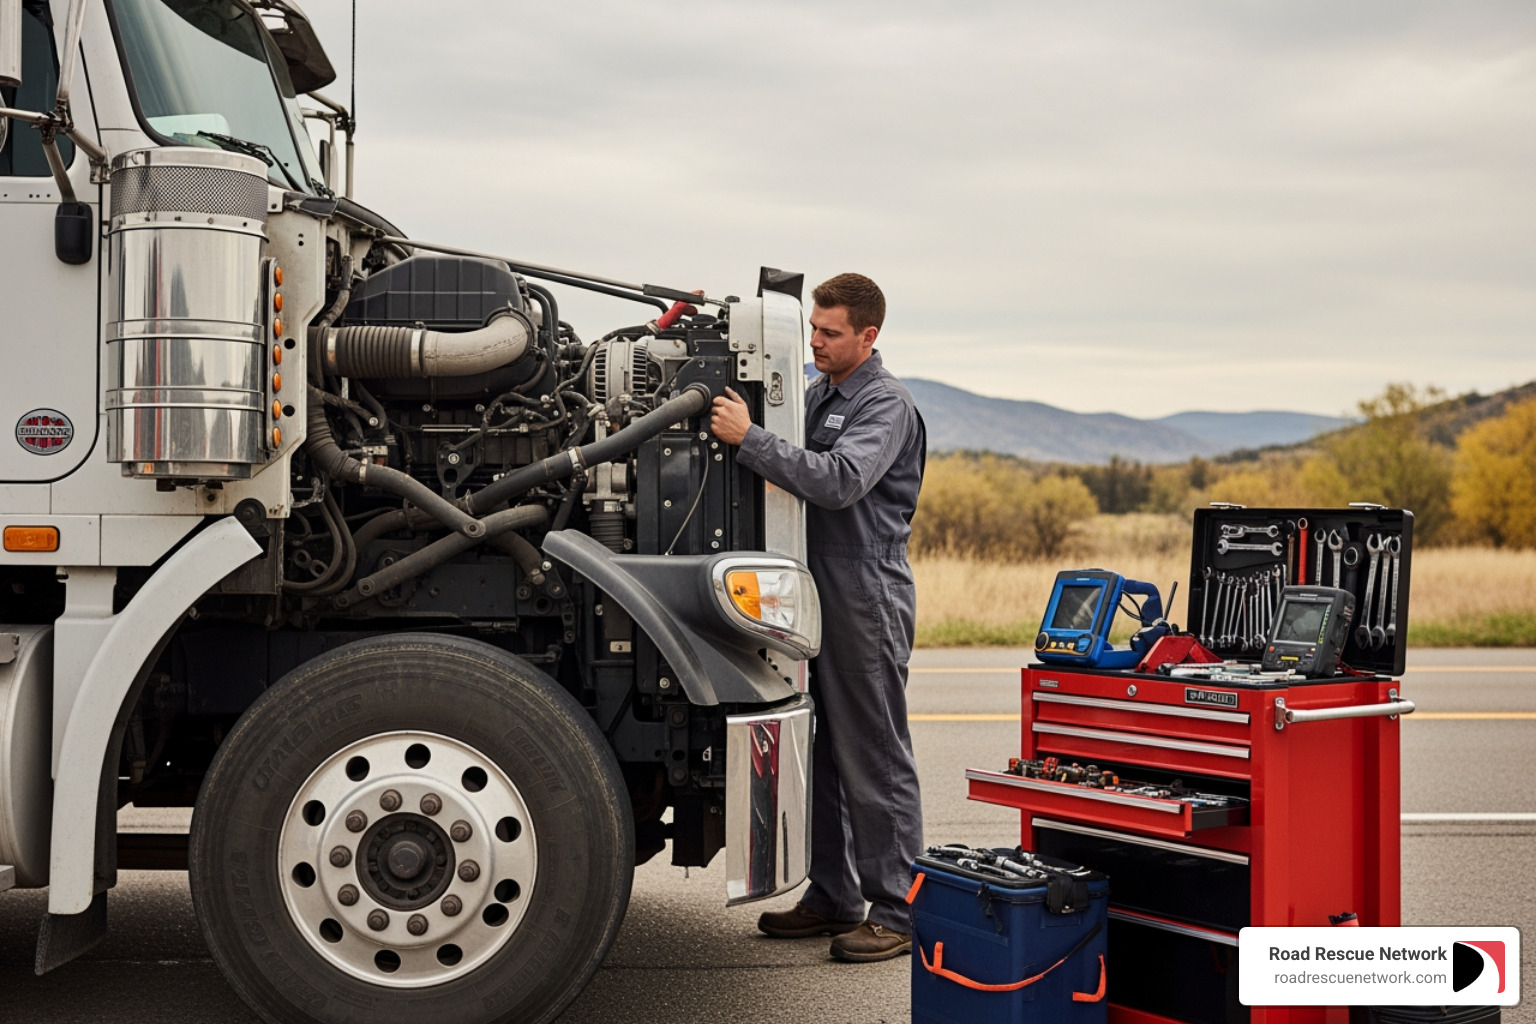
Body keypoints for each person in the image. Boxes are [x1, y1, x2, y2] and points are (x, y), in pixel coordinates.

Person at [710, 273, 926, 963]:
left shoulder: (884, 404)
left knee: (873, 753)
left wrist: (750, 440)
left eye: (830, 333)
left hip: (866, 588)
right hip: (816, 587)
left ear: (869, 335)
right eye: (812, 329)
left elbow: (838, 481)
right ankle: (835, 896)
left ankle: (897, 909)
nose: (815, 342)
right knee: (823, 751)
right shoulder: (820, 393)